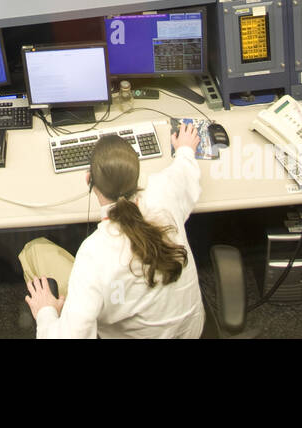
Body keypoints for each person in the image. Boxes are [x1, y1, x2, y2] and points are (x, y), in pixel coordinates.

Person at [20, 126, 205, 338]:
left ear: (89, 180)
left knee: (34, 250)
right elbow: (184, 171)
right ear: (137, 177)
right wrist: (184, 149)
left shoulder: (94, 255)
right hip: (191, 331)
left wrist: (46, 311)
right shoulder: (164, 194)